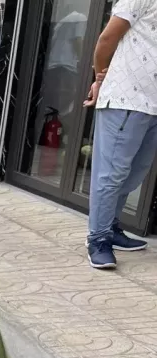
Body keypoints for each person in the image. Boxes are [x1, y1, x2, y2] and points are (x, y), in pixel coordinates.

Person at [82, 0, 157, 270]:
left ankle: (111, 227)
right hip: (127, 100)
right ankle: (98, 239)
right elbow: (106, 39)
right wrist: (100, 80)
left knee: (134, 173)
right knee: (112, 174)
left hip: (153, 106)